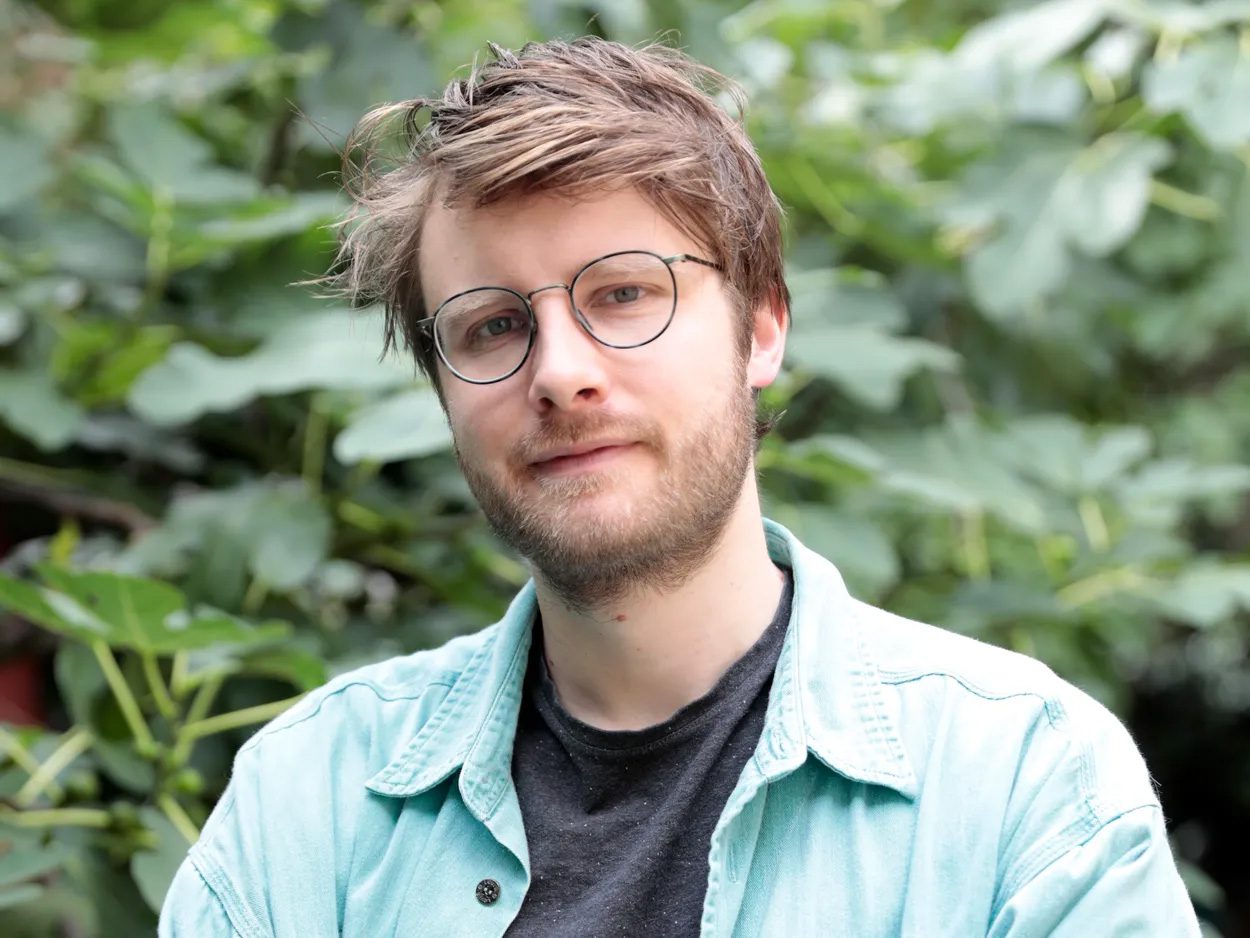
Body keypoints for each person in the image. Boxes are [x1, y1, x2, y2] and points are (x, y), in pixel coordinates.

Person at [160, 37, 1201, 936]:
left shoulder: (1025, 785)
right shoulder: (308, 802)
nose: (559, 370)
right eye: (491, 325)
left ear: (760, 327)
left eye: (622, 294)